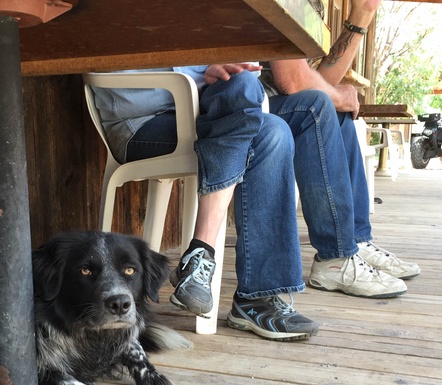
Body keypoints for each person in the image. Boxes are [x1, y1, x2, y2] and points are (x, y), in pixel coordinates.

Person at [92, 64, 319, 341]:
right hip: (139, 121)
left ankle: (246, 292)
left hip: (203, 113)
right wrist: (199, 75)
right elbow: (122, 84)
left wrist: (215, 72)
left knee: (272, 128)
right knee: (246, 92)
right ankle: (206, 254)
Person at [263, 0, 420, 298]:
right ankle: (335, 257)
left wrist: (362, 15)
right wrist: (336, 96)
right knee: (318, 106)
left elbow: (320, 82)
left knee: (334, 110)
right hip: (236, 103)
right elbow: (292, 81)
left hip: (270, 105)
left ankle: (354, 241)